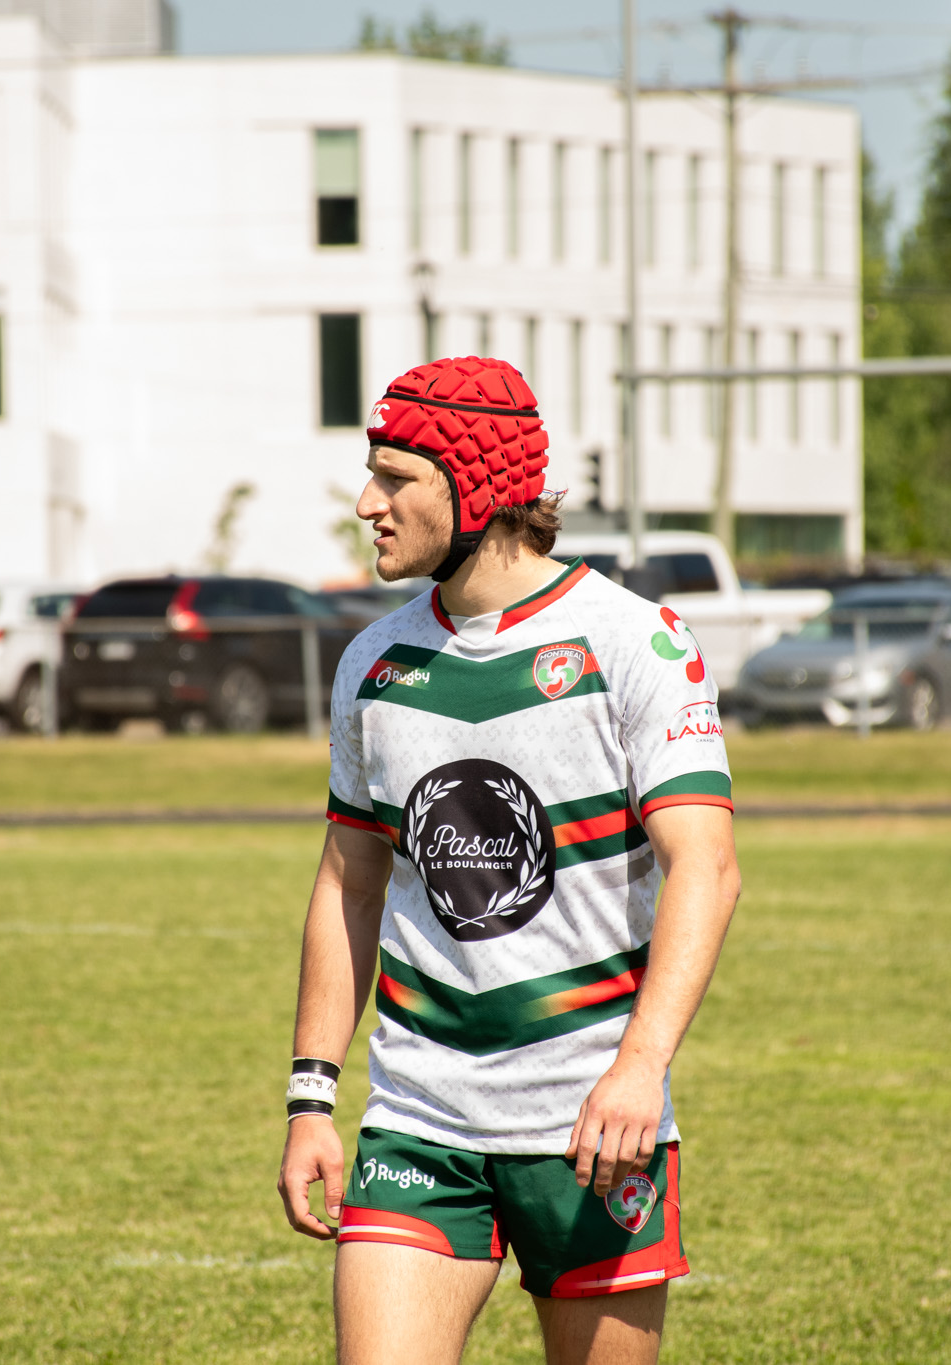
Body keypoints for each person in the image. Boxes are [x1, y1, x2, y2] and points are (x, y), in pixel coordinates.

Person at [276, 356, 742, 1365]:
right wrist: (311, 1097)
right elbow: (348, 885)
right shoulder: (372, 664)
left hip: (594, 1125)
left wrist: (639, 1068)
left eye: (394, 478)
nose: (367, 503)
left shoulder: (636, 641)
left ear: (474, 485)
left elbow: (706, 870)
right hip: (418, 1118)